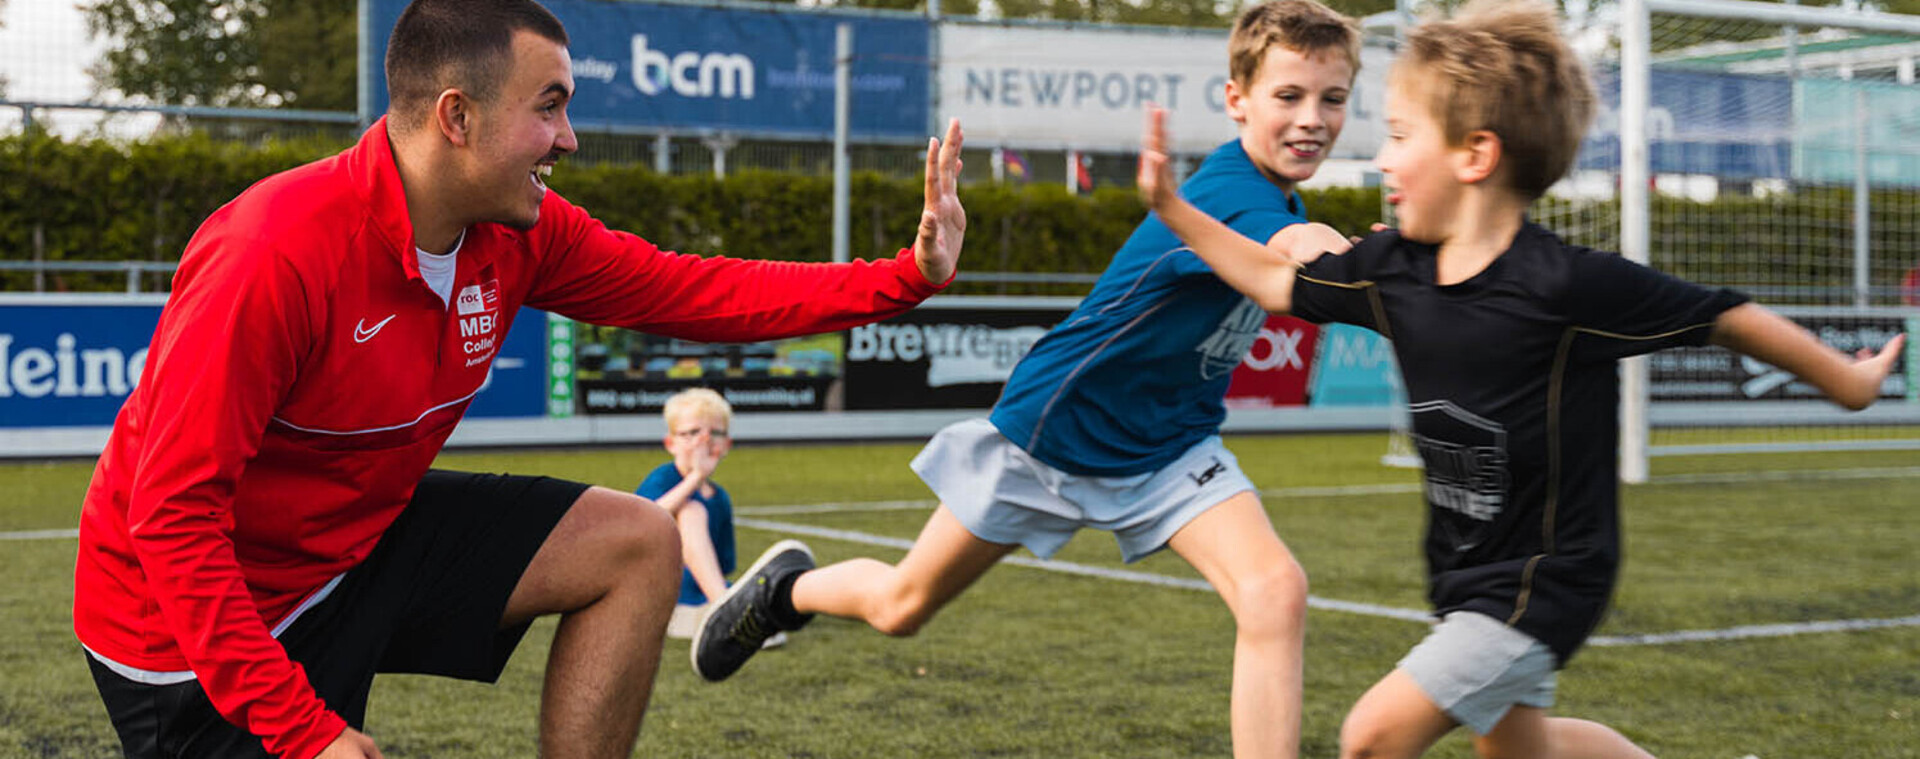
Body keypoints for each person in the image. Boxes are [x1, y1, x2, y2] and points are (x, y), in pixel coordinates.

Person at [69, 0, 968, 756]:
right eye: (550, 106)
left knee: (637, 540)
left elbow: (697, 288)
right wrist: (306, 729)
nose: (568, 137)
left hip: (357, 544)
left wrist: (906, 277)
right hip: (185, 626)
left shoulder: (524, 233)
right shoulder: (271, 250)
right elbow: (172, 518)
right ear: (456, 117)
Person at [1133, 2, 1908, 757]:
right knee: (1521, 749)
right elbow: (1274, 284)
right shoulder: (1391, 271)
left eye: (1401, 136)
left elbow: (1727, 316)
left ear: (1474, 155)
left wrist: (1847, 382)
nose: (1381, 158)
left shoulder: (1570, 287)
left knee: (1370, 737)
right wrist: (1172, 206)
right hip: (1466, 572)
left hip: (1545, 583)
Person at [691, 3, 1360, 757]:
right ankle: (784, 591)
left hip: (1171, 450)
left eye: (1332, 99)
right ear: (1237, 99)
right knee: (901, 605)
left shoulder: (1281, 196)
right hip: (1055, 434)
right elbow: (1301, 249)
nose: (1313, 118)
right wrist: (1379, 264)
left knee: (1277, 590)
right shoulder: (1227, 191)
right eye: (1289, 96)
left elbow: (1298, 242)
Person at [636, 388, 785, 648]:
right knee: (691, 510)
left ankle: (728, 607)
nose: (704, 441)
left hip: (702, 595)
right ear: (671, 443)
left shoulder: (720, 498)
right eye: (692, 433)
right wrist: (695, 477)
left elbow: (724, 564)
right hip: (662, 599)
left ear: (726, 445)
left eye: (714, 433)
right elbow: (645, 522)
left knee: (770, 597)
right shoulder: (662, 480)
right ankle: (729, 612)